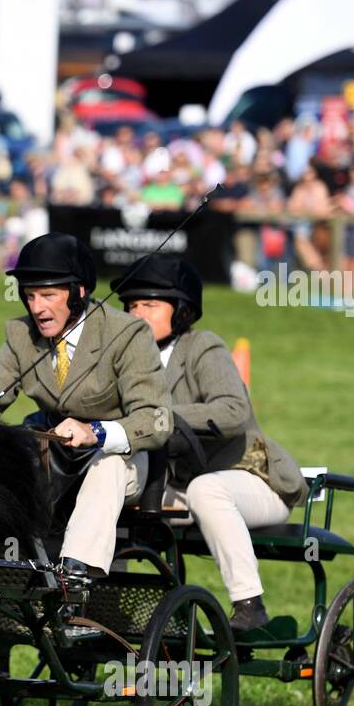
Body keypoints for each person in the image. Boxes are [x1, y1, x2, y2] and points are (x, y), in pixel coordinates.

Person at [0, 233, 169, 584]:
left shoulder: (128, 333)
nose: (37, 307)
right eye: (30, 295)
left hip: (123, 458)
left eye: (49, 295)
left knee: (108, 465)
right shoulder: (22, 334)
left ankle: (76, 575)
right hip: (52, 457)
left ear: (80, 292)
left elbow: (157, 420)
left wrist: (96, 432)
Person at [116, 254, 308, 632]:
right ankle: (108, 604)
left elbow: (233, 410)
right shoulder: (127, 360)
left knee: (207, 489)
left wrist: (162, 418)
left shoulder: (203, 347)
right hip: (178, 486)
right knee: (111, 487)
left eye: (150, 305)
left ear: (182, 311)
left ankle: (249, 604)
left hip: (253, 481)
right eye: (132, 305)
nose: (137, 313)